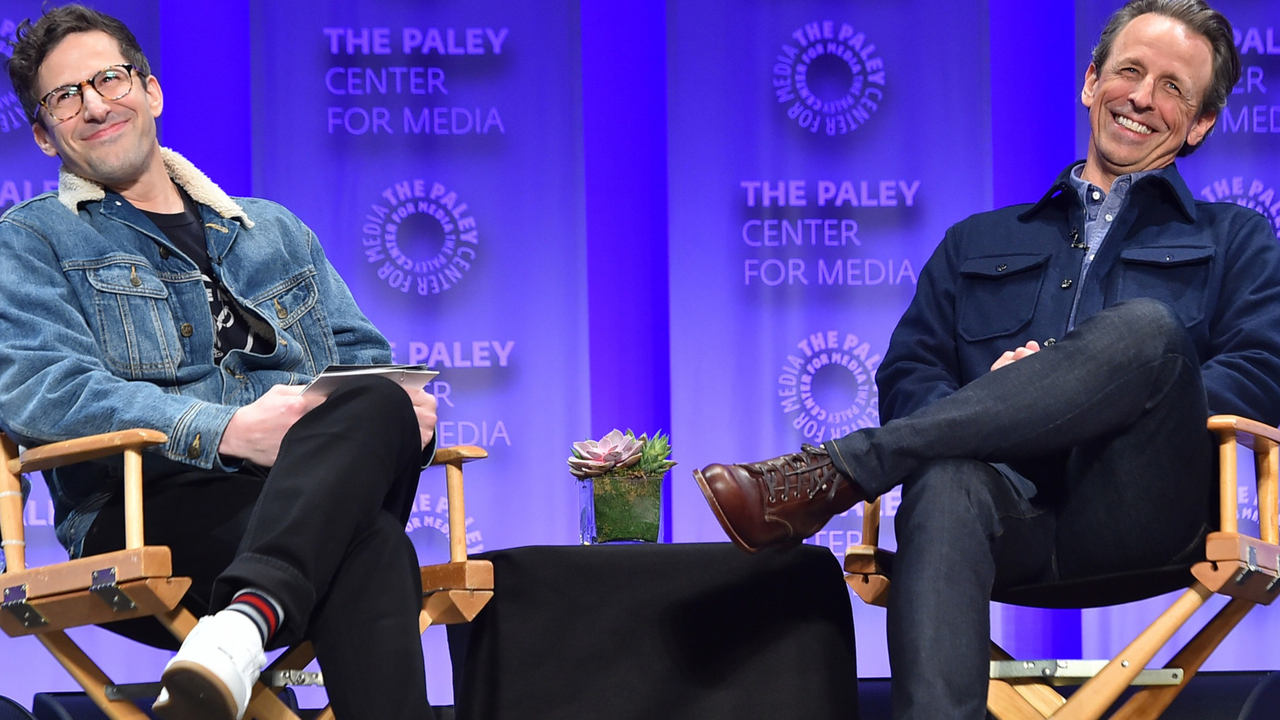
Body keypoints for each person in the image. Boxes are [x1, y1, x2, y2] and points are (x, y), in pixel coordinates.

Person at [695, 1, 1280, 717]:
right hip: (1002, 515)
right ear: (1091, 81)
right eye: (1129, 71)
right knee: (942, 482)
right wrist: (1004, 404)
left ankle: (843, 468)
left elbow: (1261, 371)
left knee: (1149, 334)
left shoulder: (1238, 239)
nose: (1142, 98)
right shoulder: (975, 242)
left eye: (1172, 89)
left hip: (1144, 509)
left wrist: (1105, 393)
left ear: (1199, 125)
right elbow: (910, 372)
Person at [2, 5, 438, 720]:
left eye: (109, 79)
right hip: (150, 508)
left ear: (151, 91)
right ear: (45, 135)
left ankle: (240, 624)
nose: (95, 105)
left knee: (384, 402)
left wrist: (401, 404)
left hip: (302, 488)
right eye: (66, 96)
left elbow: (365, 362)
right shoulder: (32, 240)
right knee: (372, 545)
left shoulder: (274, 230)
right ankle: (251, 613)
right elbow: (46, 392)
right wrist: (226, 429)